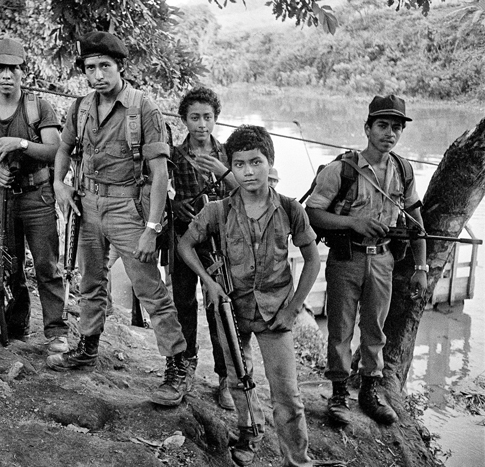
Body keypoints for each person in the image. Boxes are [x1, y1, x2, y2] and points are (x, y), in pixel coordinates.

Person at [48, 31, 188, 407]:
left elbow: (160, 175)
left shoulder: (144, 109)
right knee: (91, 281)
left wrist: (151, 230)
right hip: (89, 206)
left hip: (129, 210)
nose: (97, 75)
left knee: (150, 289)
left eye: (104, 67)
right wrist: (59, 185)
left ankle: (177, 365)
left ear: (119, 67)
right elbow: (64, 150)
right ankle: (88, 346)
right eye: (90, 68)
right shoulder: (80, 107)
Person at [177, 125, 320, 467]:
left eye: (255, 162)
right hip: (231, 309)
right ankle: (249, 435)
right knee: (240, 380)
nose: (248, 171)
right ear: (232, 167)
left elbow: (312, 258)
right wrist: (209, 284)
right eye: (239, 164)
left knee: (287, 394)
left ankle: (297, 459)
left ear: (269, 164)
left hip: (275, 313)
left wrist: (294, 307)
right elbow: (186, 245)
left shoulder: (289, 209)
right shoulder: (218, 210)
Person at [305, 94, 427, 425]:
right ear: (368, 128)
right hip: (347, 258)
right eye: (383, 125)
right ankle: (339, 394)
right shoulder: (340, 170)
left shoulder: (403, 169)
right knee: (341, 327)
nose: (390, 133)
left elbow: (416, 222)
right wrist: (352, 222)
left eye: (396, 128)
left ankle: (371, 391)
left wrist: (421, 267)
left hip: (384, 259)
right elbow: (312, 213)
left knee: (376, 327)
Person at [0, 38, 69, 354]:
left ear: (23, 72)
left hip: (37, 196)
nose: (6, 75)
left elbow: (56, 151)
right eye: (0, 68)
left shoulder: (38, 107)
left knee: (48, 266)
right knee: (8, 266)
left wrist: (19, 144)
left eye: (13, 69)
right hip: (1, 198)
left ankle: (56, 332)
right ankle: (16, 325)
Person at [170, 87, 237, 409]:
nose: (201, 124)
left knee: (219, 307)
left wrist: (222, 172)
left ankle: (225, 377)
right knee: (183, 302)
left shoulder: (228, 155)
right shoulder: (175, 155)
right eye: (194, 117)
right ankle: (185, 366)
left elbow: (243, 195)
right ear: (184, 119)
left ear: (215, 119)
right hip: (184, 239)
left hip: (219, 244)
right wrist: (176, 204)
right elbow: (161, 191)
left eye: (207, 117)